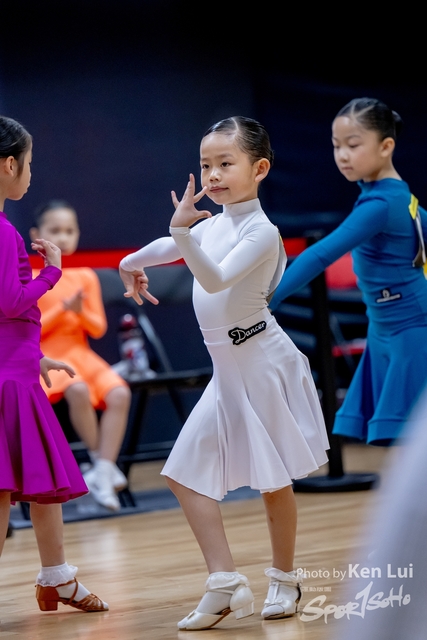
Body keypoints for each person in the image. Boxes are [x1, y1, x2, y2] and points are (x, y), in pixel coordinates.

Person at [119, 116, 329, 630]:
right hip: (228, 372)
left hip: (263, 364)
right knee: (182, 474)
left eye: (225, 164)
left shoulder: (262, 232)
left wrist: (180, 233)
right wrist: (131, 260)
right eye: (205, 164)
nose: (212, 175)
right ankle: (225, 582)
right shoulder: (211, 227)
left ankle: (284, 578)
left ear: (260, 169)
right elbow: (170, 248)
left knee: (273, 481)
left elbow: (213, 279)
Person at [269, 97, 427, 446]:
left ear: (386, 146)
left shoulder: (382, 204)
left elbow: (321, 254)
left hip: (410, 328)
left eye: (353, 145)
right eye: (336, 145)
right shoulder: (399, 198)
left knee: (414, 439)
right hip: (386, 327)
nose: (342, 155)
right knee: (407, 441)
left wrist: (267, 298)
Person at [0, 115, 108, 612]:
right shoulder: (4, 233)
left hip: (17, 371)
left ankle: (57, 578)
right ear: (8, 165)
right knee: (7, 490)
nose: (30, 173)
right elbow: (10, 302)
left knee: (40, 482)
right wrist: (52, 274)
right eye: (28, 163)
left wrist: (33, 355)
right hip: (10, 383)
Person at [30, 200, 131, 512]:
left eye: (69, 231)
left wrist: (78, 312)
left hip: (81, 354)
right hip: (46, 356)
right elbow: (30, 330)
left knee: (119, 393)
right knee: (77, 389)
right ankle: (101, 465)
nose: (62, 238)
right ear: (36, 235)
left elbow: (98, 328)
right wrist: (63, 310)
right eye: (54, 230)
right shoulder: (29, 276)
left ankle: (102, 470)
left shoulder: (85, 275)